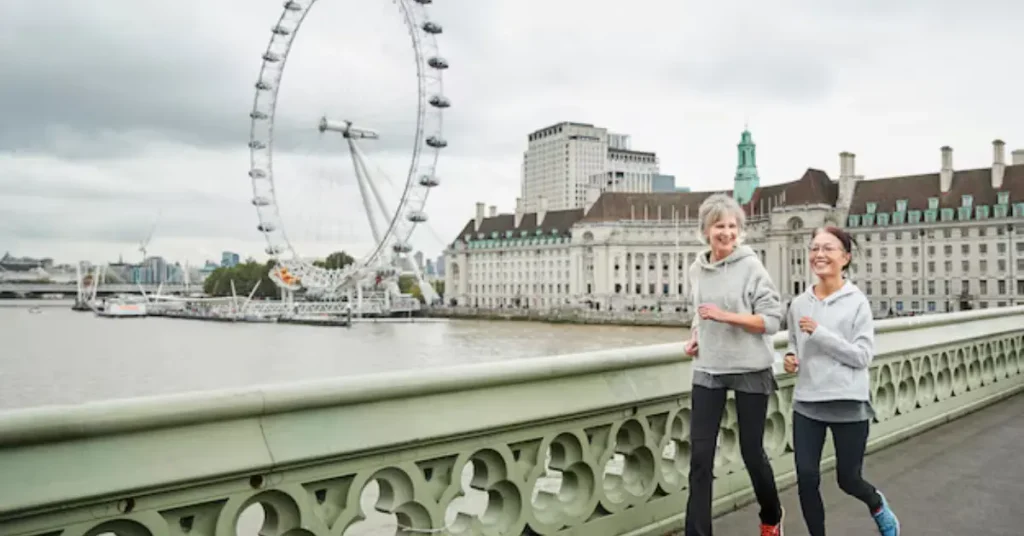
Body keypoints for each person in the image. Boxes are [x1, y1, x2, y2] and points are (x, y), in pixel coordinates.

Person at [783, 226, 900, 536]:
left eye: (828, 249)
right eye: (814, 248)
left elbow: (862, 356)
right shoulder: (798, 304)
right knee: (806, 478)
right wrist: (790, 358)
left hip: (848, 403)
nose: (819, 254)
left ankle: (876, 504)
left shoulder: (856, 302)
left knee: (848, 479)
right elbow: (794, 345)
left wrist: (820, 333)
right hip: (807, 402)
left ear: (845, 258)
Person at [682, 193, 784, 536]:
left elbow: (772, 320)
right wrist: (697, 335)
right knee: (699, 457)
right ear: (705, 231)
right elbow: (698, 313)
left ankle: (771, 515)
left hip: (750, 368)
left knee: (751, 452)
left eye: (731, 226)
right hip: (709, 367)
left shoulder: (751, 266)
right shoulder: (697, 269)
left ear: (739, 230)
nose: (726, 232)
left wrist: (725, 316)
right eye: (718, 226)